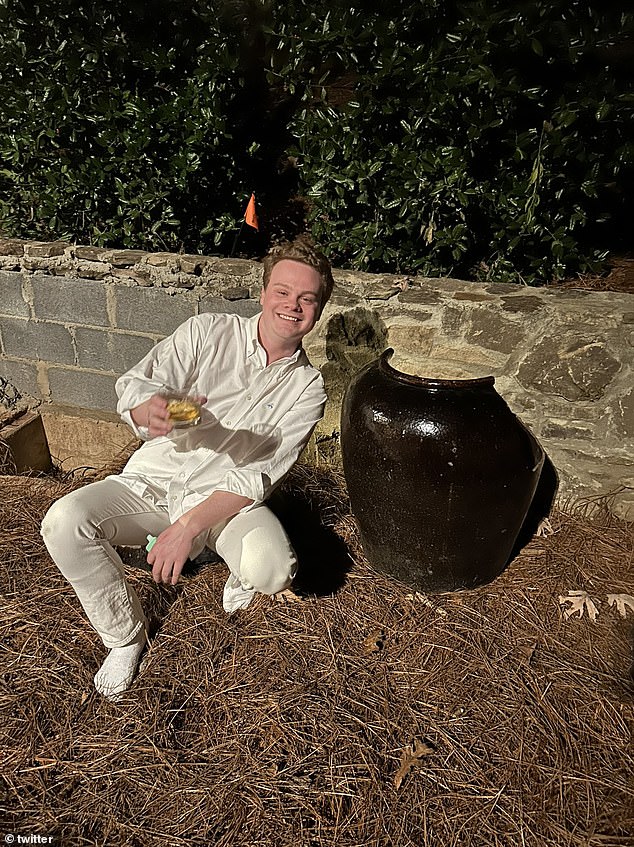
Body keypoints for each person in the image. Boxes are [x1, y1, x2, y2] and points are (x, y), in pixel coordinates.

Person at [41, 234, 334, 699]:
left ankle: (212, 549)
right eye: (282, 291)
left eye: (307, 298)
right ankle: (124, 635)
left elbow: (257, 473)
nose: (292, 306)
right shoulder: (207, 333)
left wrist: (189, 526)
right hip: (154, 479)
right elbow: (140, 385)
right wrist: (149, 411)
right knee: (64, 522)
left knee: (272, 570)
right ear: (262, 294)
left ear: (318, 311)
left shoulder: (307, 389)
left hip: (226, 502)